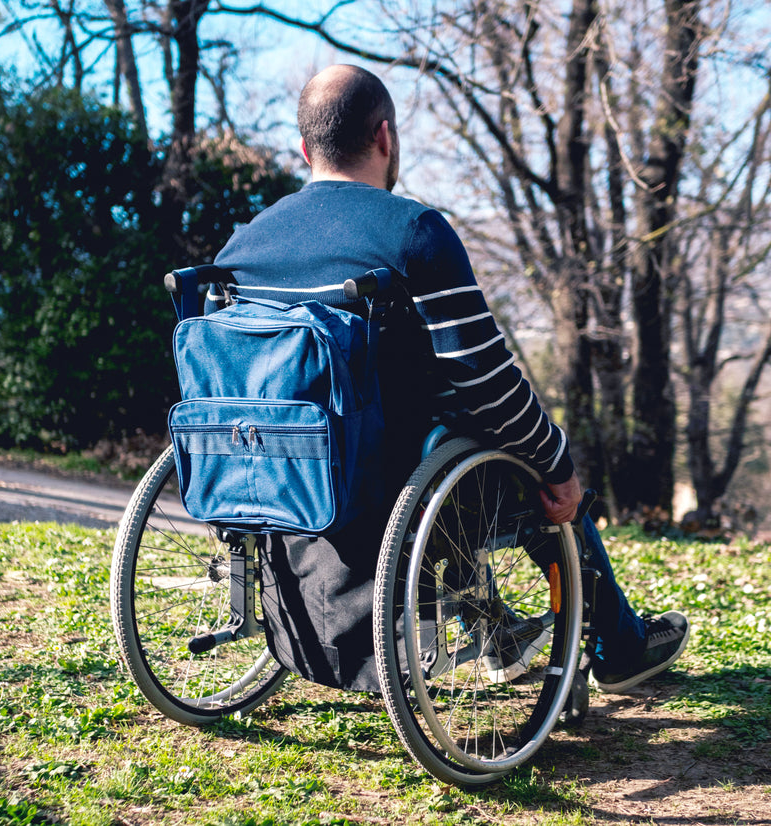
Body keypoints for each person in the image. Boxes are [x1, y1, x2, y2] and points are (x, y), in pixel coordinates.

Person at [214, 64, 689, 695]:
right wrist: (556, 461)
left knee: (446, 437)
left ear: (305, 149)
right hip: (389, 480)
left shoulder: (243, 247)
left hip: (271, 472)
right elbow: (486, 378)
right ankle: (619, 648)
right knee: (521, 460)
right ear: (385, 137)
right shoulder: (412, 232)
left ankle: (495, 630)